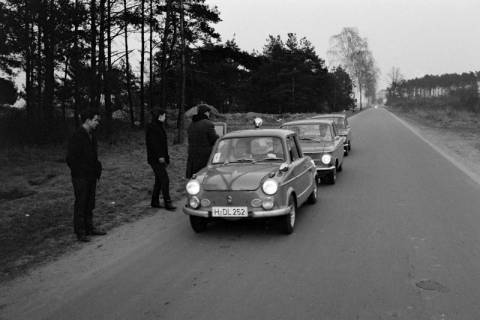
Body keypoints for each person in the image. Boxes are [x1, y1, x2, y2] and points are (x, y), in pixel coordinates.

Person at [66, 109, 106, 242]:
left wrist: (96, 167)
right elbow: (71, 159)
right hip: (81, 177)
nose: (97, 123)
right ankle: (80, 231)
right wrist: (81, 172)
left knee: (90, 202)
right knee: (81, 203)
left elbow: (92, 155)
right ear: (87, 120)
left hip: (91, 175)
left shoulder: (92, 135)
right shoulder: (77, 136)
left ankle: (90, 228)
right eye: (95, 120)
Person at [146, 108, 176, 211]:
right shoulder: (153, 127)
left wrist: (165, 156)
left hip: (159, 158)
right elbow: (154, 144)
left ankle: (154, 201)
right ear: (159, 116)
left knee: (159, 180)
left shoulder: (158, 126)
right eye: (164, 115)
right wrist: (160, 156)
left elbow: (162, 144)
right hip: (156, 159)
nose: (165, 117)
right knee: (165, 180)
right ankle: (168, 203)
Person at [186, 105, 219, 178]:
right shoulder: (208, 124)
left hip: (192, 154)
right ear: (205, 113)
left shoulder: (191, 124)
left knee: (195, 176)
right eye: (208, 112)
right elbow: (214, 139)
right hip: (204, 155)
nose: (209, 114)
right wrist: (219, 138)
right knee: (204, 175)